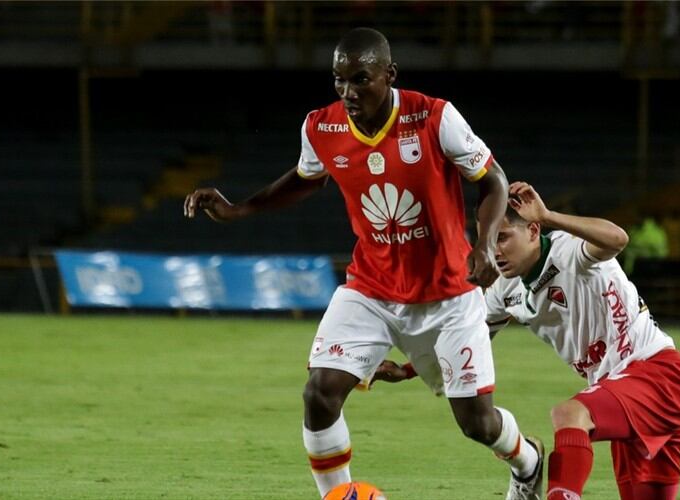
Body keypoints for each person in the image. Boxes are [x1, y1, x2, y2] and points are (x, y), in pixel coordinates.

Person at [183, 28, 544, 500]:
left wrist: (484, 241)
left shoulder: (435, 117)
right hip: (370, 288)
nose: (349, 92)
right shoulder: (322, 127)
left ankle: (529, 461)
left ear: (389, 75)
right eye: (339, 81)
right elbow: (306, 177)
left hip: (449, 294)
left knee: (477, 423)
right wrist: (239, 208)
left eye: (361, 79)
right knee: (319, 394)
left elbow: (492, 179)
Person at [376, 182, 680, 500]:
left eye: (502, 237)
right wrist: (407, 371)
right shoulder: (504, 289)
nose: (494, 250)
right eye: (487, 241)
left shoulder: (569, 250)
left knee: (569, 415)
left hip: (659, 374)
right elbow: (466, 341)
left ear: (533, 231)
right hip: (621, 391)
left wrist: (548, 216)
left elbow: (618, 238)